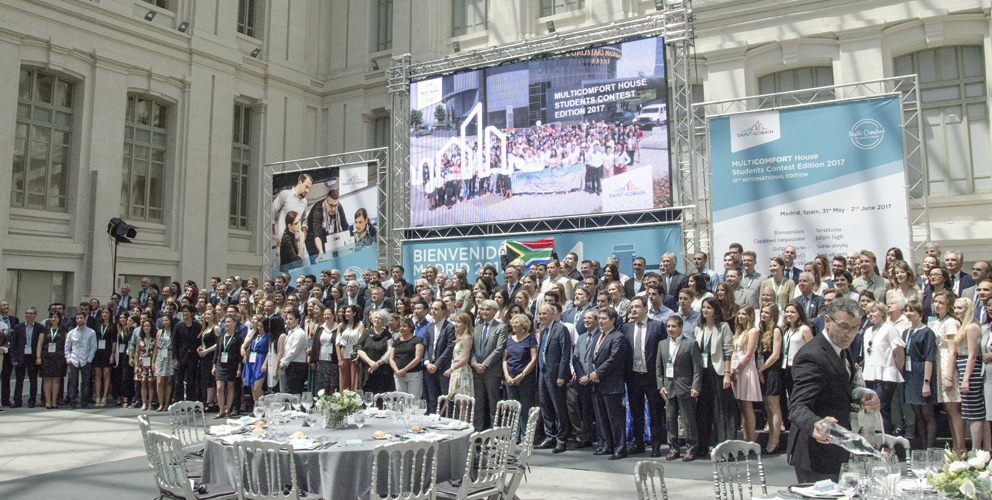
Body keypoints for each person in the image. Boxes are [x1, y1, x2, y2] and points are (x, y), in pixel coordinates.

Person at [787, 297, 881, 483]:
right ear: (828, 321)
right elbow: (797, 406)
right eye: (844, 326)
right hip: (815, 454)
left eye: (855, 328)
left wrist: (864, 396)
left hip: (839, 450)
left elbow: (844, 387)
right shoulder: (811, 355)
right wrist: (816, 424)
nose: (850, 334)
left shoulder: (843, 348)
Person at [623, 296, 667, 457]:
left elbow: (663, 352)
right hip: (633, 376)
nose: (633, 309)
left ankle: (656, 445)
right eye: (632, 307)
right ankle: (638, 442)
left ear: (645, 309)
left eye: (637, 307)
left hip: (652, 376)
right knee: (636, 412)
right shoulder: (626, 328)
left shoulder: (657, 326)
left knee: (655, 412)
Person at [657, 315, 703, 461]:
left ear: (681, 327)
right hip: (669, 388)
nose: (670, 329)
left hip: (685, 387)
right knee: (670, 420)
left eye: (673, 326)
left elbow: (697, 368)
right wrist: (660, 386)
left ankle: (691, 448)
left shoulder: (690, 343)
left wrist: (696, 386)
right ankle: (673, 448)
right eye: (669, 326)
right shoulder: (662, 344)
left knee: (688, 420)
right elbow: (659, 367)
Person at [694, 296, 736, 455]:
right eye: (703, 307)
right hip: (703, 373)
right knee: (703, 411)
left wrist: (727, 373)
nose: (705, 310)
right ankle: (703, 447)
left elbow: (728, 351)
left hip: (718, 372)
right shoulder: (699, 328)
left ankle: (725, 449)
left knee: (722, 412)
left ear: (715, 310)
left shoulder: (723, 327)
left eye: (709, 308)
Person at [590, 307, 630, 460]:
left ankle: (620, 448)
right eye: (599, 318)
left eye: (604, 318)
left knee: (615, 419)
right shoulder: (598, 337)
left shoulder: (618, 337)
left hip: (612, 384)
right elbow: (591, 357)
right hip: (597, 384)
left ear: (613, 320)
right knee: (601, 418)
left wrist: (598, 373)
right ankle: (606, 445)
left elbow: (614, 359)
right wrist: (591, 373)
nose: (600, 321)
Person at [861, 301, 906, 434]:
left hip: (886, 375)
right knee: (869, 410)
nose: (870, 315)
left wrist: (896, 370)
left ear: (882, 313)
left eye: (874, 311)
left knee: (881, 408)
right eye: (869, 312)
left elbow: (899, 352)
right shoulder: (868, 331)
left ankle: (886, 445)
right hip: (869, 375)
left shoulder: (890, 330)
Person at [533, 303, 572, 454]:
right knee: (545, 406)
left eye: (545, 314)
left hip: (556, 375)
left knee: (559, 407)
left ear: (553, 314)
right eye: (540, 314)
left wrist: (561, 375)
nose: (541, 316)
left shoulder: (561, 329)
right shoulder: (542, 332)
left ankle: (562, 439)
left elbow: (565, 354)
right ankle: (550, 436)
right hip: (543, 373)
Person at [932, 290, 965, 453]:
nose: (937, 305)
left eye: (941, 303)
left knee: (954, 410)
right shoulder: (938, 321)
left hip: (947, 364)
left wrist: (949, 376)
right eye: (935, 302)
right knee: (949, 410)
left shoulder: (951, 322)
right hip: (940, 362)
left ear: (949, 305)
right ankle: (955, 447)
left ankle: (961, 448)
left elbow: (953, 351)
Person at [952, 297, 986, 452]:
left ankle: (976, 450)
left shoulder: (972, 327)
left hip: (970, 369)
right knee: (969, 410)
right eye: (955, 308)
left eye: (960, 308)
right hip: (963, 365)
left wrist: (966, 379)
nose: (956, 311)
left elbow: (973, 355)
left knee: (974, 411)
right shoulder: (963, 326)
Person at [902, 298, 937, 449]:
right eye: (907, 310)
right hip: (910, 375)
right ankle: (922, 446)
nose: (909, 313)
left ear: (920, 314)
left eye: (912, 311)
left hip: (922, 373)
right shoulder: (906, 332)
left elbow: (929, 358)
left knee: (927, 413)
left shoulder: (927, 332)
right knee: (917, 414)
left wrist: (926, 382)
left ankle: (930, 447)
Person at [471, 300, 507, 431]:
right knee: (478, 404)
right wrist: (475, 364)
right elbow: (472, 350)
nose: (484, 312)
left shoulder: (501, 327)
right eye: (482, 309)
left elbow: (499, 349)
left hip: (492, 371)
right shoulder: (476, 328)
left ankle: (494, 432)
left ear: (495, 311)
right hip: (477, 371)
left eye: (488, 309)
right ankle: (477, 432)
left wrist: (484, 364)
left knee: (493, 404)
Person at [503, 313, 538, 443]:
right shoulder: (509, 339)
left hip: (525, 378)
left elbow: (533, 359)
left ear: (524, 325)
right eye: (513, 322)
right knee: (513, 407)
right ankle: (514, 436)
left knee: (525, 407)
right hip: (510, 377)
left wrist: (522, 375)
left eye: (517, 322)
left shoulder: (530, 339)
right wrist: (507, 375)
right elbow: (505, 359)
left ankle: (525, 436)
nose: (513, 324)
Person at [731, 305, 762, 442]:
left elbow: (749, 355)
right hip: (737, 369)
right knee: (741, 406)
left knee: (747, 405)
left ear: (750, 316)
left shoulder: (753, 331)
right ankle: (745, 438)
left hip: (745, 369)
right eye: (739, 314)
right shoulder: (739, 332)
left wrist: (737, 370)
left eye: (743, 314)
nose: (740, 316)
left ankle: (751, 440)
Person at [757, 304, 785, 453]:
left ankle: (775, 441)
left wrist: (762, 368)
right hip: (763, 371)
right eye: (762, 312)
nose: (763, 315)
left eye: (766, 313)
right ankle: (771, 437)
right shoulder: (762, 330)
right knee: (767, 406)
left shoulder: (776, 330)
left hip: (773, 371)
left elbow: (775, 354)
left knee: (774, 406)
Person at [572, 309, 600, 449]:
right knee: (586, 411)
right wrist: (582, 375)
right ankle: (587, 437)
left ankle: (602, 439)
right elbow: (575, 358)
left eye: (590, 318)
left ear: (597, 320)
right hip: (582, 380)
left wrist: (589, 376)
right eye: (585, 319)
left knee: (599, 411)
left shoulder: (601, 336)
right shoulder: (581, 337)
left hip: (596, 380)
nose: (586, 321)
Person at [423, 300, 455, 414]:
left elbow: (449, 348)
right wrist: (427, 363)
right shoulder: (429, 327)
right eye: (432, 309)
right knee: (432, 398)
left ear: (443, 312)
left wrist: (436, 365)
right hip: (429, 368)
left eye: (436, 309)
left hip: (443, 369)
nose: (433, 311)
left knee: (445, 399)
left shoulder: (450, 327)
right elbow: (425, 346)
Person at [10, 307, 41, 408]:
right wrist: (14, 358)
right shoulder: (18, 327)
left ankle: (32, 400)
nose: (28, 315)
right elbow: (13, 344)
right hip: (21, 357)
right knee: (19, 380)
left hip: (32, 357)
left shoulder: (39, 327)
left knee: (33, 380)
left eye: (31, 314)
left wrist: (38, 357)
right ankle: (17, 400)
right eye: (27, 313)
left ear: (35, 315)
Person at [65, 312, 96, 409]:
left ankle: (84, 403)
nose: (79, 320)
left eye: (81, 318)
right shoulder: (71, 333)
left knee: (86, 383)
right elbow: (67, 347)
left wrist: (89, 359)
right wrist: (69, 359)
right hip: (74, 360)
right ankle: (73, 402)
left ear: (85, 319)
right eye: (77, 318)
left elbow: (93, 347)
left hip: (85, 360)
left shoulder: (91, 332)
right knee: (73, 383)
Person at [213, 316, 243, 418]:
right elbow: (217, 353)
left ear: (234, 323)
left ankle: (228, 410)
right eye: (225, 322)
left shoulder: (238, 337)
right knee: (220, 388)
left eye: (229, 322)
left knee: (230, 387)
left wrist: (239, 368)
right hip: (220, 364)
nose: (227, 324)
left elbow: (239, 355)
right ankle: (221, 409)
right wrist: (214, 366)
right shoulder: (221, 337)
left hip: (232, 365)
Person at [305, 189, 349, 256]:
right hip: (312, 237)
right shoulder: (318, 210)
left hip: (325, 235)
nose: (333, 209)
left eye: (335, 205)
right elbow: (317, 234)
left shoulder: (339, 206)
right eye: (331, 205)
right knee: (320, 257)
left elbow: (345, 226)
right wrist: (320, 251)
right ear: (326, 203)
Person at [38, 312, 67, 409]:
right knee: (47, 380)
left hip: (59, 357)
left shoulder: (63, 329)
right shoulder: (45, 329)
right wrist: (38, 357)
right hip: (46, 357)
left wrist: (66, 356)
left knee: (56, 380)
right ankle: (48, 401)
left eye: (55, 317)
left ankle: (54, 401)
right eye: (51, 317)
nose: (53, 319)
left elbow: (66, 344)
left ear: (59, 319)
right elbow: (40, 344)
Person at [389, 317, 424, 398]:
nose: (402, 328)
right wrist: (397, 371)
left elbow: (417, 358)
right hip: (399, 376)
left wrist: (404, 370)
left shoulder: (417, 340)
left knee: (413, 400)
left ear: (410, 328)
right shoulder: (396, 341)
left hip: (413, 375)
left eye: (404, 326)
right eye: (400, 326)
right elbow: (391, 358)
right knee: (401, 401)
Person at [444, 313, 475, 402]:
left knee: (463, 403)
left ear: (465, 325)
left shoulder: (466, 338)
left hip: (462, 371)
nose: (456, 324)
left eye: (459, 322)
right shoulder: (459, 337)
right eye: (455, 322)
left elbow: (465, 358)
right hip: (456, 371)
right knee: (457, 403)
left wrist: (451, 369)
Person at [308, 308, 338, 395]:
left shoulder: (337, 328)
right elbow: (315, 344)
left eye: (329, 314)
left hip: (333, 361)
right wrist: (312, 360)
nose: (327, 316)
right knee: (323, 386)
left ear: (333, 315)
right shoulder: (320, 328)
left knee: (332, 385)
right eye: (325, 314)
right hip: (322, 360)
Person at [91, 307, 117, 407]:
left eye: (106, 313)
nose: (104, 314)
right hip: (97, 352)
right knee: (97, 375)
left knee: (106, 375)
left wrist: (112, 354)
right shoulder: (97, 325)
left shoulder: (112, 326)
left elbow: (114, 341)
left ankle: (104, 397)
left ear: (110, 314)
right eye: (103, 313)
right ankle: (97, 396)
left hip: (107, 351)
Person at [272, 172, 312, 238]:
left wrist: (304, 233)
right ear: (300, 183)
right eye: (306, 187)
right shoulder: (285, 194)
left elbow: (304, 219)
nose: (307, 191)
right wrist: (272, 233)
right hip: (283, 241)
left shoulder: (304, 201)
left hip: (297, 243)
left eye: (309, 188)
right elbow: (272, 210)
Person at [241, 315, 270, 404]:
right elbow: (245, 343)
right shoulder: (255, 334)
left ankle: (263, 406)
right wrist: (243, 349)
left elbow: (270, 351)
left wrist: (265, 363)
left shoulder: (268, 336)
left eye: (261, 327)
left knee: (258, 387)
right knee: (252, 387)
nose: (259, 328)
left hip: (261, 359)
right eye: (258, 326)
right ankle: (256, 407)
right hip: (252, 359)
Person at [197, 308, 219, 411]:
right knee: (205, 378)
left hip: (212, 356)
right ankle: (210, 400)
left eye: (209, 314)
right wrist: (201, 349)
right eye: (205, 314)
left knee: (211, 379)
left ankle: (211, 402)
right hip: (204, 357)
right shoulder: (205, 329)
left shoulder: (216, 328)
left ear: (214, 316)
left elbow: (218, 344)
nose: (207, 316)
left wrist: (207, 351)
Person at [336, 304, 363, 391]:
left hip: (354, 350)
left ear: (354, 313)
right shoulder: (341, 325)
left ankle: (354, 399)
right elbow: (337, 343)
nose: (346, 314)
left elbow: (361, 342)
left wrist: (358, 355)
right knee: (344, 377)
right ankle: (343, 399)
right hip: (344, 350)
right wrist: (339, 359)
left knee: (354, 376)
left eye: (348, 312)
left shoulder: (360, 325)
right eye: (345, 312)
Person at [152, 315, 175, 411]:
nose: (164, 322)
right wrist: (153, 361)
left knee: (168, 381)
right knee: (159, 381)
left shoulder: (173, 332)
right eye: (163, 321)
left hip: (169, 355)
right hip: (160, 355)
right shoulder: (159, 332)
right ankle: (160, 403)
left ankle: (167, 403)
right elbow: (156, 347)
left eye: (166, 320)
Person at [134, 320, 156, 411]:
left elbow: (155, 351)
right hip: (142, 363)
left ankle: (150, 403)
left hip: (150, 362)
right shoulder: (139, 338)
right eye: (144, 326)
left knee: (150, 384)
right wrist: (136, 365)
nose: (146, 328)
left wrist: (153, 362)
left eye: (148, 326)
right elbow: (137, 352)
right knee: (143, 384)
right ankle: (144, 403)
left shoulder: (154, 339)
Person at [112, 313, 134, 407]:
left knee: (126, 377)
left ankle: (127, 397)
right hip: (118, 355)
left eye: (124, 318)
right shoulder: (117, 329)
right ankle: (118, 397)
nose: (122, 319)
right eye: (120, 318)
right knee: (117, 377)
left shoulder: (129, 330)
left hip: (126, 355)